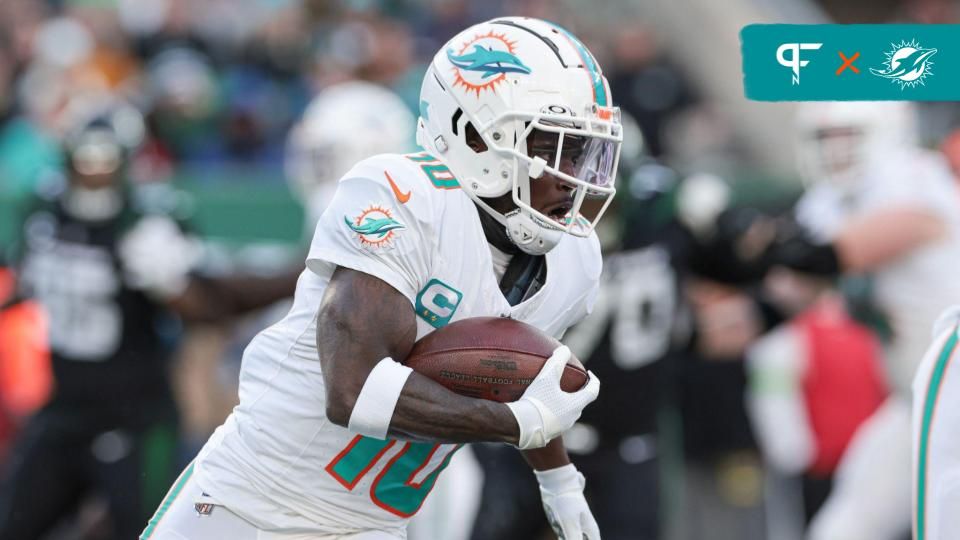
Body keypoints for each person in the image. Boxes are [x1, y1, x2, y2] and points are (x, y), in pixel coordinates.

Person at [142, 16, 621, 540]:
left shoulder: (576, 259)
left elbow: (527, 384)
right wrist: (516, 425)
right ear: (475, 137)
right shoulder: (402, 197)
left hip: (371, 526)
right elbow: (355, 390)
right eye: (551, 148)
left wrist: (559, 481)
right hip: (249, 504)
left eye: (581, 153)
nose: (572, 179)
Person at [0, 97, 299, 540]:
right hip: (64, 408)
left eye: (103, 158)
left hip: (136, 417)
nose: (92, 171)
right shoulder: (44, 214)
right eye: (85, 157)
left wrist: (175, 285)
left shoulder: (145, 222)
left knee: (144, 532)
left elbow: (207, 305)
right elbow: (20, 286)